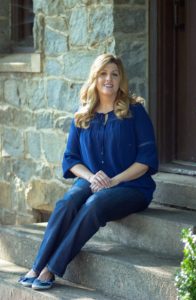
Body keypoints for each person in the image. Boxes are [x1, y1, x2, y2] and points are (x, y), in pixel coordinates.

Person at [18, 53, 158, 290]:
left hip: (131, 185)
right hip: (91, 180)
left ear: (121, 79)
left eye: (115, 74)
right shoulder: (83, 114)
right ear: (94, 78)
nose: (109, 79)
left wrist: (113, 181)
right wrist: (91, 177)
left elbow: (146, 160)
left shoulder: (135, 111)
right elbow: (71, 159)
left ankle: (51, 269)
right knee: (68, 201)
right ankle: (36, 265)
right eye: (103, 73)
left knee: (95, 203)